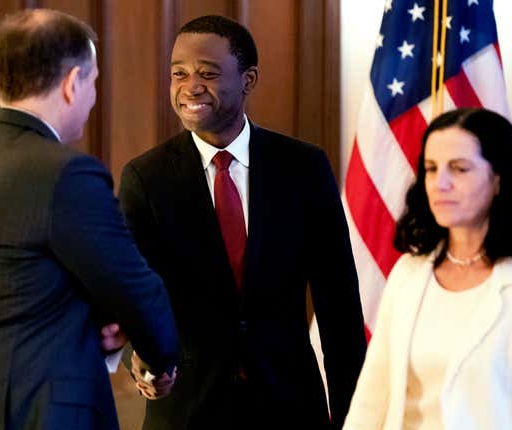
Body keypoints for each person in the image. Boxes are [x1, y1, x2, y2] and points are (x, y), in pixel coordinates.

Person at [0, 9, 179, 430]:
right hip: (34, 413)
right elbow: (134, 289)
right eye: (94, 82)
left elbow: (16, 289)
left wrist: (98, 322)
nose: (94, 96)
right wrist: (161, 361)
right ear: (70, 83)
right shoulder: (65, 174)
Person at [118, 14, 367, 430]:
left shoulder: (303, 168)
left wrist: (351, 417)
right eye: (178, 74)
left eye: (208, 73)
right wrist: (142, 362)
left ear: (248, 79)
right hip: (187, 411)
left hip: (289, 407)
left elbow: (338, 304)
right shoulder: (146, 178)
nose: (190, 87)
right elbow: (128, 291)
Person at [343, 107, 512, 430]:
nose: (440, 183)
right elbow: (371, 400)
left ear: (498, 179)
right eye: (431, 169)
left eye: (459, 168)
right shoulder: (408, 273)